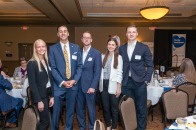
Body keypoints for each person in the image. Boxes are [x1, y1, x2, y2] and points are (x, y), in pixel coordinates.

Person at [119, 25, 154, 130]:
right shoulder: (121, 49)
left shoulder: (143, 48)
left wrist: (146, 80)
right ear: (126, 34)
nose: (131, 34)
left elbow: (150, 65)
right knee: (127, 109)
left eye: (133, 32)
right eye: (129, 32)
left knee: (141, 109)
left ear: (137, 34)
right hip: (125, 83)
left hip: (140, 83)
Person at [49, 25, 82, 130]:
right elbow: (53, 68)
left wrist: (74, 80)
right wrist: (62, 81)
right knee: (56, 113)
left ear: (68, 33)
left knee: (70, 111)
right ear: (58, 34)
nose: (63, 33)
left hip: (73, 85)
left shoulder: (76, 48)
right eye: (60, 31)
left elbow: (80, 66)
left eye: (65, 31)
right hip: (59, 86)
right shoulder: (52, 49)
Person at [76, 31, 102, 130]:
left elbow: (97, 71)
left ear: (91, 40)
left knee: (91, 110)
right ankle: (82, 127)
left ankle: (92, 128)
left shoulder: (96, 53)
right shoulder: (78, 53)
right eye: (84, 37)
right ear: (82, 40)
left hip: (90, 87)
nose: (86, 39)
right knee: (80, 110)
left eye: (88, 37)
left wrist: (93, 86)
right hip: (78, 86)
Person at [27, 39, 54, 130]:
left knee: (46, 120)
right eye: (39, 47)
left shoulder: (46, 60)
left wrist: (52, 96)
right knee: (44, 121)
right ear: (35, 48)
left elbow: (51, 80)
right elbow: (32, 84)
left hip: (47, 94)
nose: (41, 48)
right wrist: (39, 101)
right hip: (40, 96)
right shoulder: (32, 63)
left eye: (43, 46)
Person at [99, 38, 123, 130]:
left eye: (113, 44)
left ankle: (114, 127)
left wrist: (118, 87)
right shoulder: (102, 56)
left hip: (113, 84)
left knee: (114, 108)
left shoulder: (119, 57)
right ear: (107, 45)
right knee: (105, 107)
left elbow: (119, 73)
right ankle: (108, 124)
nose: (111, 46)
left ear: (116, 46)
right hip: (103, 84)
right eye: (109, 44)